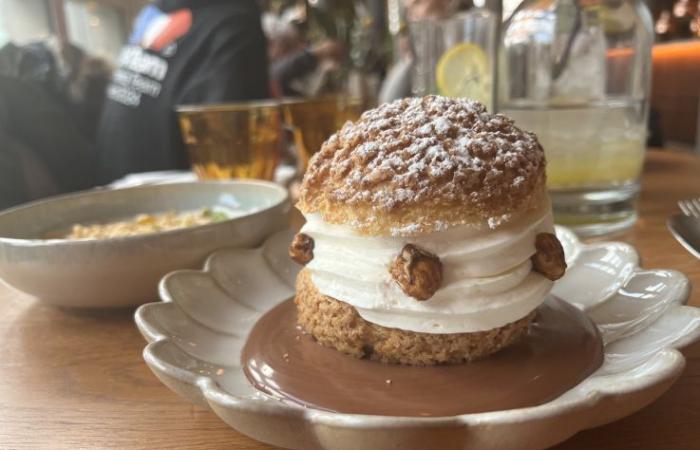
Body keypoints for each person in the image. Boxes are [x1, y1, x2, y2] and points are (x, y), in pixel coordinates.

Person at [96, 0, 269, 183]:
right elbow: (230, 145)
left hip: (111, 189)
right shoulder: (236, 18)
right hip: (176, 200)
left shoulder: (155, 10)